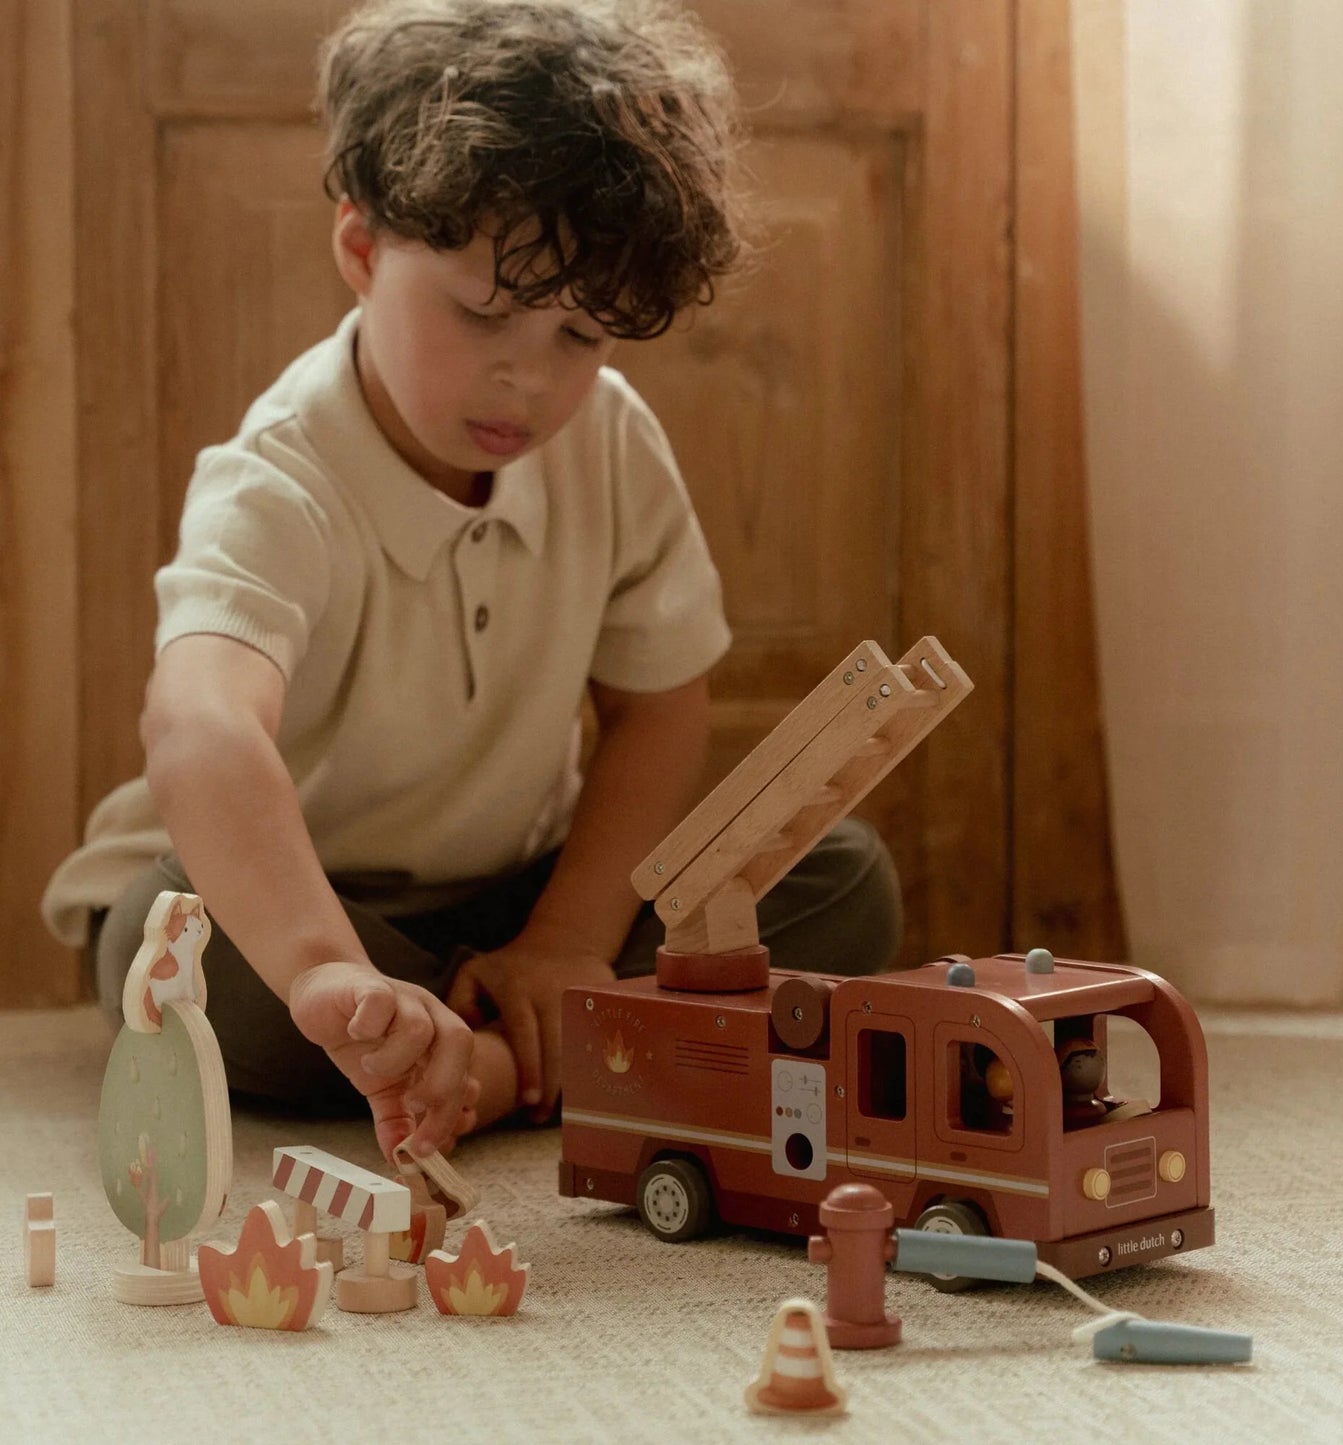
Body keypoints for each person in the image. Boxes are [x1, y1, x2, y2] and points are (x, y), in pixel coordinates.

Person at [41, 0, 903, 1162]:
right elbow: (199, 724)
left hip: (515, 894)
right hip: (304, 897)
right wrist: (327, 972)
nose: (527, 381)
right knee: (196, 961)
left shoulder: (606, 441)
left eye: (581, 337)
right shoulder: (282, 479)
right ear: (361, 250)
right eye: (483, 312)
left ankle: (494, 1059)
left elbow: (656, 704)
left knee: (832, 872)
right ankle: (527, 1052)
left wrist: (567, 939)